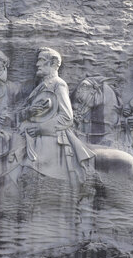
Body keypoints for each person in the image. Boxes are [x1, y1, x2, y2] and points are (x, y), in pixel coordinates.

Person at [18, 47, 95, 183]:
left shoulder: (58, 84)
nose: (37, 64)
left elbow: (66, 117)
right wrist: (30, 111)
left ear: (53, 63)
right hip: (29, 134)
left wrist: (40, 128)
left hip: (49, 136)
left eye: (41, 60)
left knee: (31, 174)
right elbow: (25, 112)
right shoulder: (40, 87)